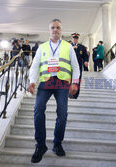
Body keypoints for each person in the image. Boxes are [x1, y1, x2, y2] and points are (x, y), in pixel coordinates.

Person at [28, 19, 80, 163]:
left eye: (58, 27)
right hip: (45, 82)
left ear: (61, 30)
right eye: (52, 28)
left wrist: (75, 83)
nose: (55, 30)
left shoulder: (68, 46)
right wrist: (32, 81)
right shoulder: (42, 47)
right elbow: (35, 65)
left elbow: (75, 67)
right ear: (49, 30)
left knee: (62, 114)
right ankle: (40, 145)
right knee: (38, 110)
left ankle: (57, 144)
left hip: (62, 83)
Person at [70, 32, 88, 99]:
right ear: (72, 39)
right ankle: (69, 94)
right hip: (69, 67)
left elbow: (85, 56)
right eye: (74, 38)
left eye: (76, 39)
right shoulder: (68, 47)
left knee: (77, 81)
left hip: (78, 67)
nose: (75, 40)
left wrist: (86, 61)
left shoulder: (82, 47)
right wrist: (71, 48)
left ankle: (75, 95)